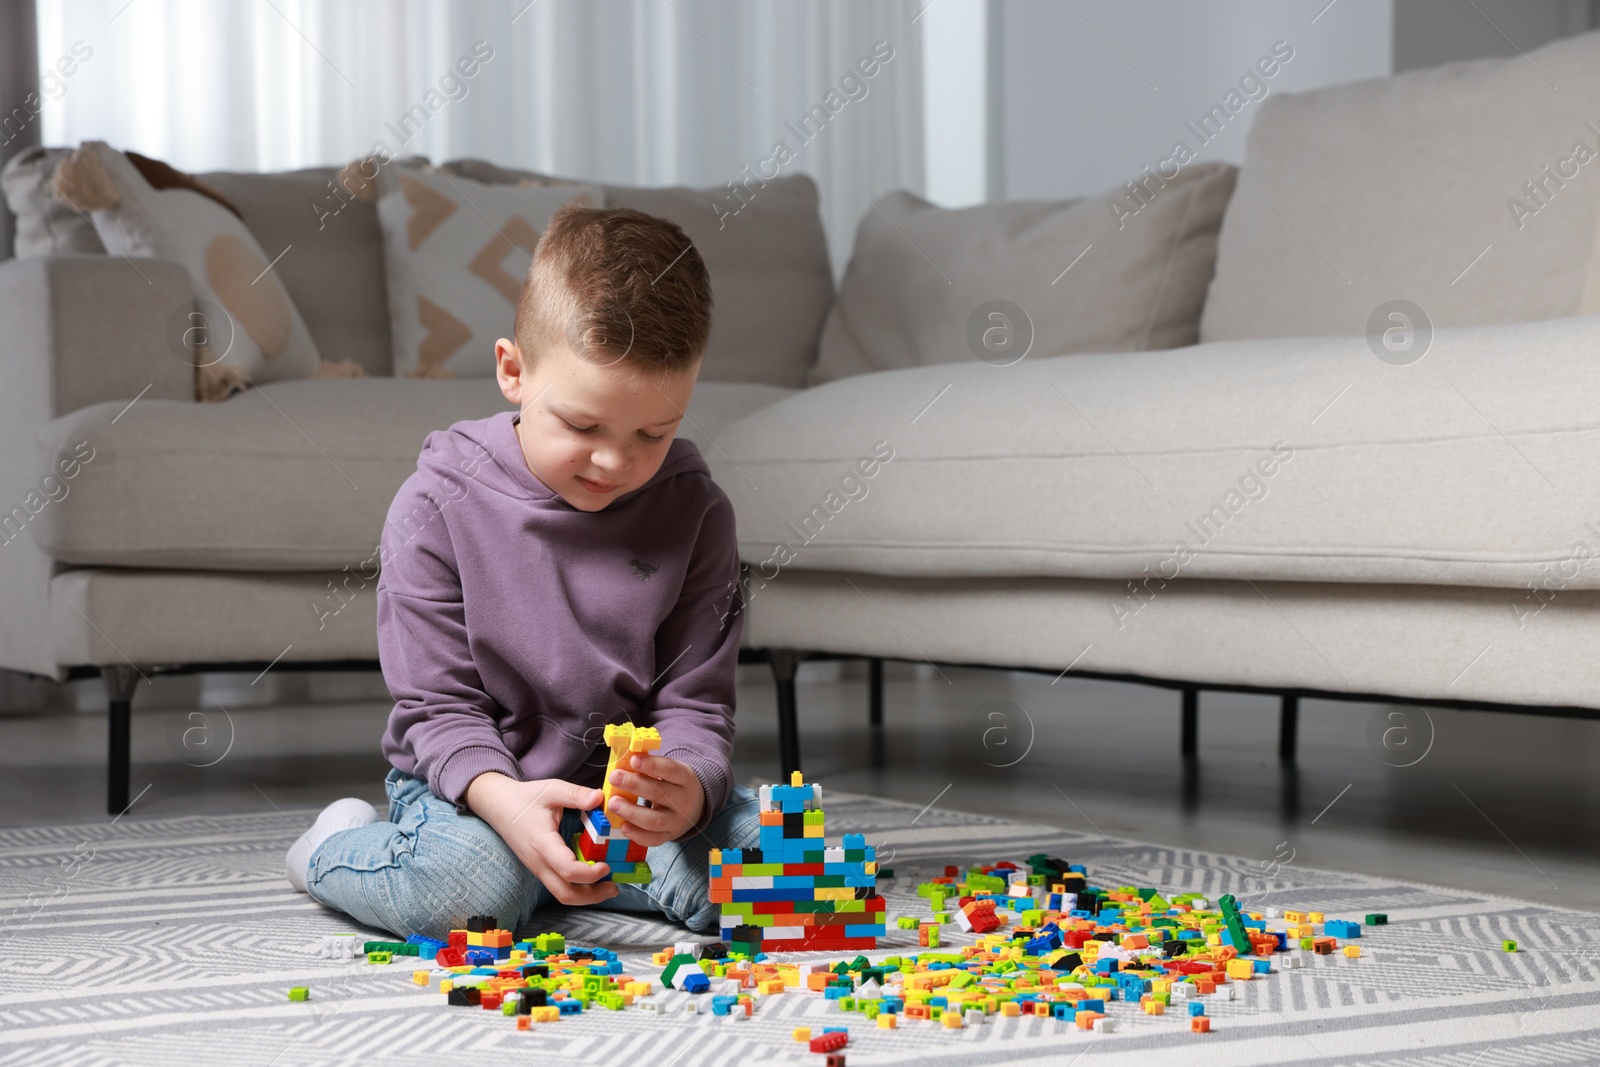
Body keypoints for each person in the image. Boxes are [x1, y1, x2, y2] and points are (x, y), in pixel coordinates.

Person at [283, 202, 757, 939]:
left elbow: (698, 705)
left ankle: (567, 882)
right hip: (475, 791)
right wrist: (504, 800)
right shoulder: (437, 504)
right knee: (470, 895)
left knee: (790, 877)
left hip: (619, 806)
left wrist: (690, 787)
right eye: (581, 425)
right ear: (513, 370)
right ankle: (332, 850)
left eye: (653, 434)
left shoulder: (698, 514)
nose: (614, 461)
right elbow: (438, 711)